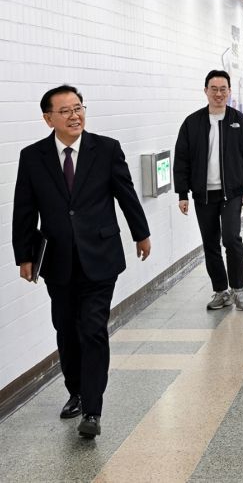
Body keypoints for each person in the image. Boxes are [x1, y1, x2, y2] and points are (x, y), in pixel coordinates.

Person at [13, 85, 151, 438]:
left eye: (78, 108)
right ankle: (75, 391)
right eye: (65, 111)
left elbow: (125, 194)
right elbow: (24, 209)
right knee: (65, 329)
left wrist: (141, 233)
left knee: (92, 329)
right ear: (48, 119)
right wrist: (24, 256)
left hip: (101, 256)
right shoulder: (33, 157)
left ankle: (92, 409)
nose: (75, 116)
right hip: (57, 260)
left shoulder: (106, 149)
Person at [174, 70, 243, 311]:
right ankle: (221, 291)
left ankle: (238, 289)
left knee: (231, 239)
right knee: (210, 243)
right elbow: (182, 159)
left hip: (231, 192)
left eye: (223, 89)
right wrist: (182, 194)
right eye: (214, 89)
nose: (219, 93)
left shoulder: (240, 121)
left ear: (229, 91)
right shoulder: (192, 123)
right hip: (203, 194)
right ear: (206, 91)